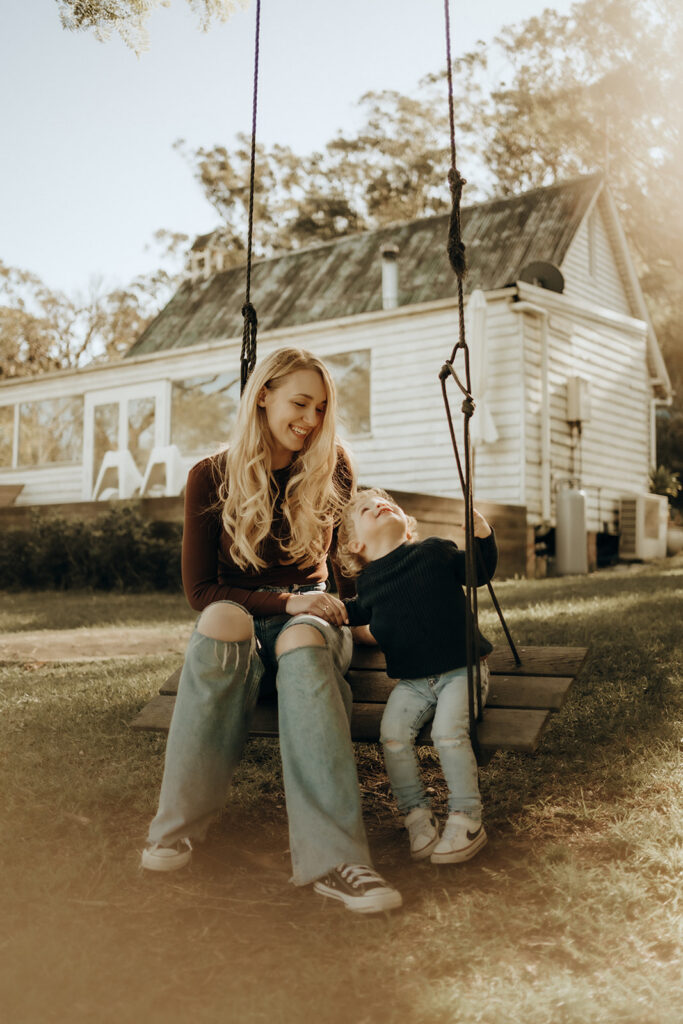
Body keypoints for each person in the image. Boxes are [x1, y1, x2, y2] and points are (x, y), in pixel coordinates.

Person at [142, 348, 402, 915]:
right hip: (245, 623)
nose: (310, 421)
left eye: (321, 408)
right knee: (220, 618)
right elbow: (200, 592)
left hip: (309, 627)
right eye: (299, 404)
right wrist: (287, 600)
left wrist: (363, 615)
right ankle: (176, 827)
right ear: (263, 396)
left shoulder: (332, 466)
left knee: (301, 638)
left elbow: (338, 570)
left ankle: (336, 860)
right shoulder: (209, 476)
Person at [336, 487, 498, 864]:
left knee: (447, 733)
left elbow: (479, 573)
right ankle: (417, 816)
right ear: (356, 544)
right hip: (413, 683)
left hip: (462, 669)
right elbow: (353, 612)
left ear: (407, 527)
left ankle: (467, 818)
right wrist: (326, 607)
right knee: (391, 736)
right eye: (364, 508)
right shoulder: (369, 583)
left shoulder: (433, 551)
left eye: (385, 502)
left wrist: (483, 537)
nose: (378, 504)